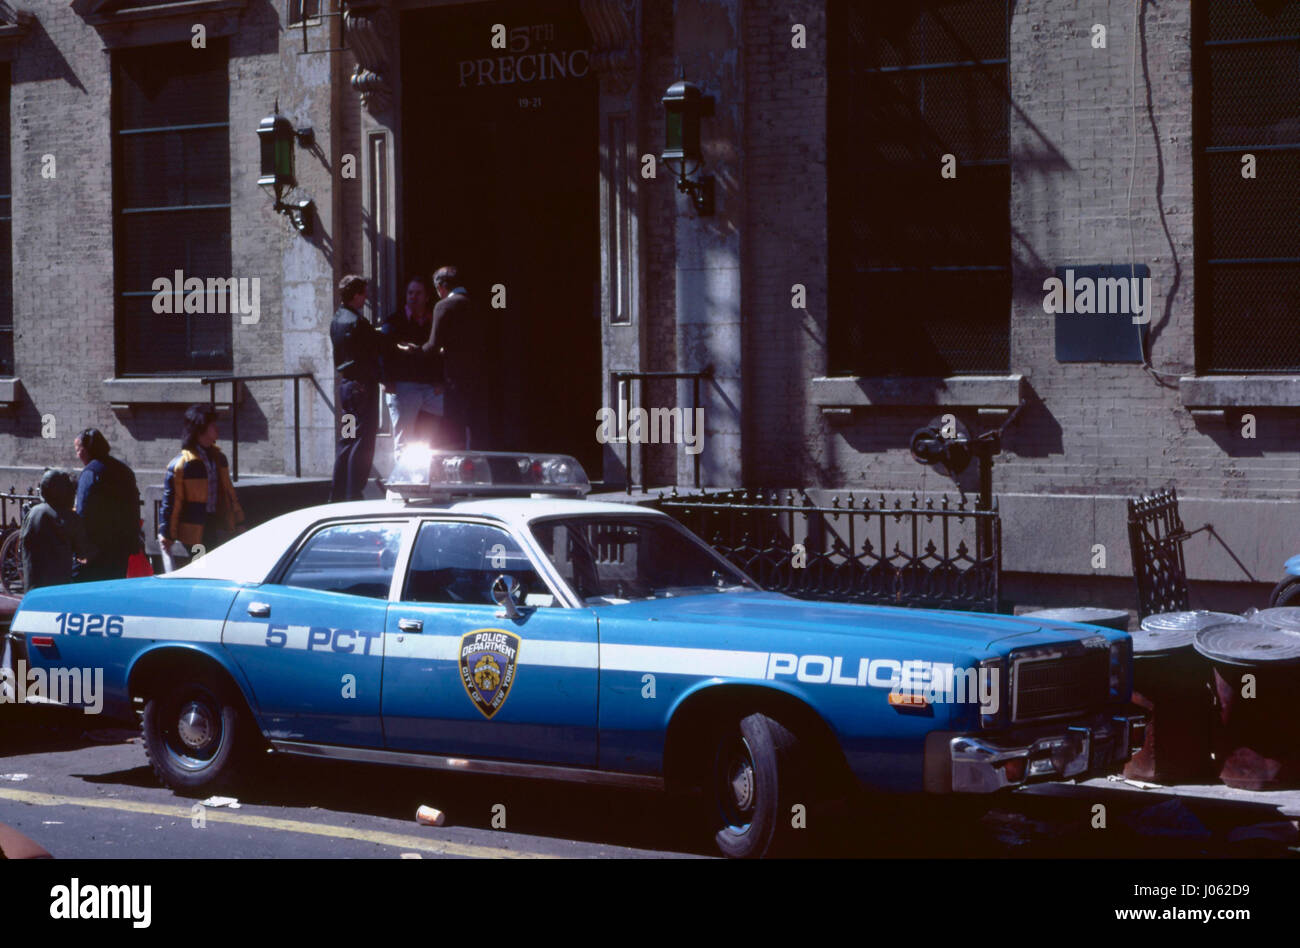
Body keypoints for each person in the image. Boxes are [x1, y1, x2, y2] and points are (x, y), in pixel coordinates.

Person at [330, 274, 414, 500]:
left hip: (347, 388)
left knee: (347, 439)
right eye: (363, 293)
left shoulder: (338, 318)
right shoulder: (357, 322)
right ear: (356, 295)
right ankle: (352, 493)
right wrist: (397, 354)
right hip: (361, 388)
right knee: (362, 441)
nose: (366, 297)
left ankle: (338, 494)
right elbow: (374, 349)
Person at [158, 405, 244, 570]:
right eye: (212, 426)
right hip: (194, 530)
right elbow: (171, 501)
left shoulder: (219, 458)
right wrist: (167, 533)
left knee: (215, 569)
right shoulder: (183, 464)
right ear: (200, 429)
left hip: (216, 524)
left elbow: (229, 492)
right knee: (201, 569)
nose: (217, 429)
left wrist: (240, 521)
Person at [381, 275, 447, 454]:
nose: (413, 297)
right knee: (403, 440)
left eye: (418, 293)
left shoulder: (432, 322)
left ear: (426, 297)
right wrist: (386, 380)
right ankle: (403, 482)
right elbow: (381, 350)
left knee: (454, 412)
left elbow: (437, 353)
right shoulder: (394, 321)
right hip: (404, 388)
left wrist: (440, 380)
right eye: (410, 293)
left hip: (428, 388)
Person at [423, 265, 482, 450]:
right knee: (475, 425)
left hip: (456, 377)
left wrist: (413, 350)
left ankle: (459, 469)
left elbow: (433, 345)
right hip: (479, 375)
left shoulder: (444, 306)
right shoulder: (476, 303)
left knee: (455, 426)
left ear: (441, 286)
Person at [72, 428, 141, 583]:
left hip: (98, 547)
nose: (77, 455)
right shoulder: (124, 470)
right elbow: (134, 506)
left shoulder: (90, 473)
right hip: (122, 544)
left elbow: (83, 511)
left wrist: (81, 545)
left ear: (87, 449)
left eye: (78, 450)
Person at [21, 469, 93, 591]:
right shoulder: (69, 518)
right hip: (57, 589)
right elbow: (84, 551)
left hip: (33, 588)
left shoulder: (33, 513)